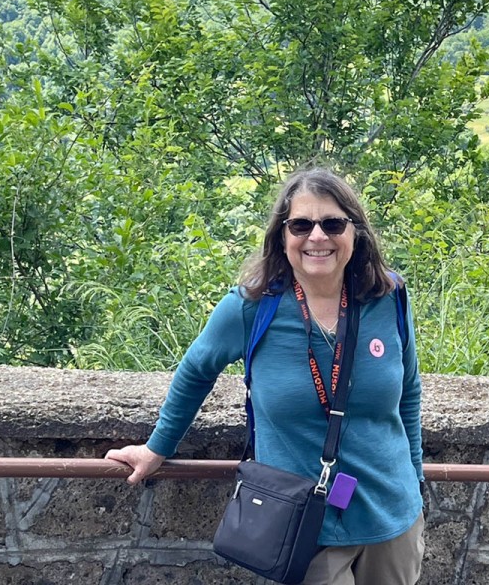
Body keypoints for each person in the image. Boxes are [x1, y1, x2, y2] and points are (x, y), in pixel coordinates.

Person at [105, 167, 425, 585]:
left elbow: (409, 393)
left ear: (355, 231)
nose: (317, 237)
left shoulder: (388, 296)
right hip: (306, 527)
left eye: (332, 223)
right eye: (300, 225)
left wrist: (415, 480)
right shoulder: (253, 307)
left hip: (393, 516)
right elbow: (195, 371)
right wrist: (157, 448)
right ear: (282, 235)